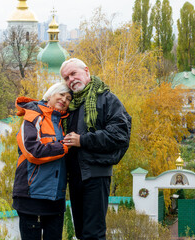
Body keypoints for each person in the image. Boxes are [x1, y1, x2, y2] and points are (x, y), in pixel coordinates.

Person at [60, 58, 131, 240]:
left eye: (73, 73)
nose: (71, 80)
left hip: (96, 174)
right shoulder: (70, 103)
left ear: (86, 70)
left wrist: (82, 140)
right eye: (66, 78)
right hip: (75, 176)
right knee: (82, 232)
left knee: (94, 233)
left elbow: (119, 135)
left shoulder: (106, 99)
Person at [12, 82, 72, 240]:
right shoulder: (33, 116)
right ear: (50, 95)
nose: (64, 100)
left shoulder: (63, 122)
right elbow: (33, 152)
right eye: (61, 95)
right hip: (31, 196)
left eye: (68, 98)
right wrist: (63, 147)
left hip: (55, 199)